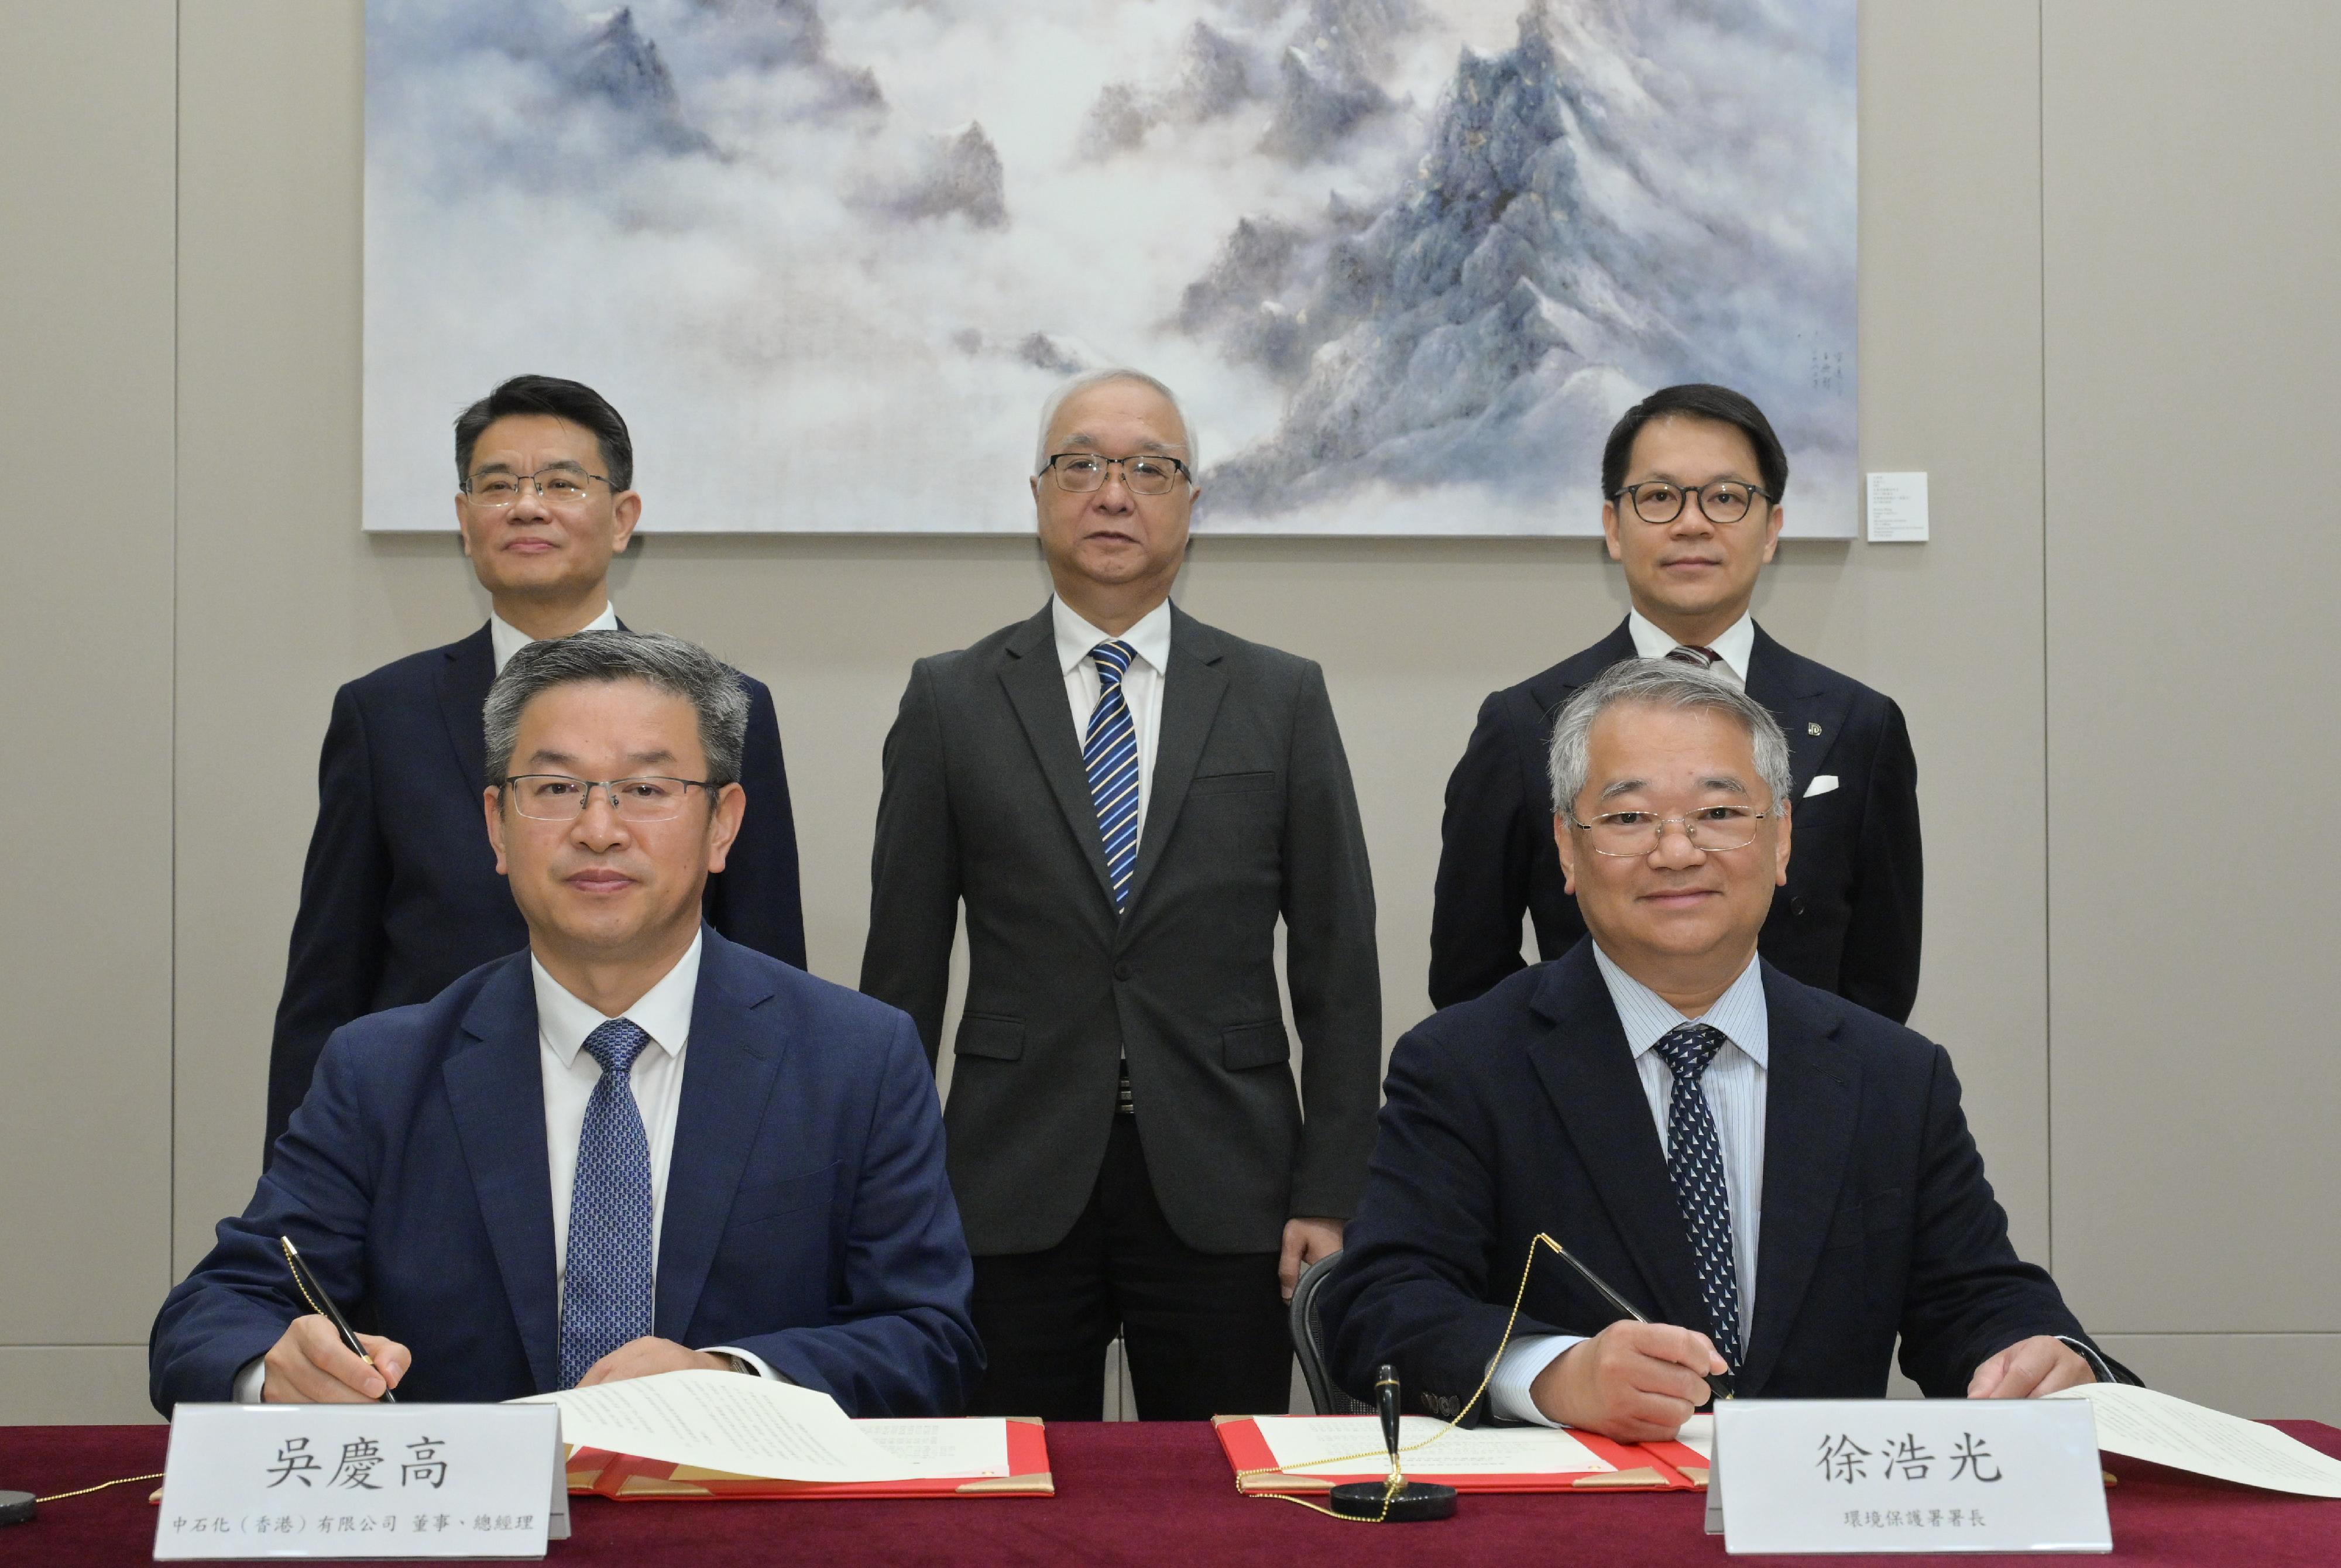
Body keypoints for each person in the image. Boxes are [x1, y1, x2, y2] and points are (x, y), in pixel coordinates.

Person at [154, 633, 977, 1415]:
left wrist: (730, 1376)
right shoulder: (382, 1069)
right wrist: (277, 1367)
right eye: (554, 788)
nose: (598, 828)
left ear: (723, 823)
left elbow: (929, 1338)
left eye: (647, 789)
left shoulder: (856, 1057)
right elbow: (212, 1313)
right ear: (496, 826)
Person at [1323, 660, 2127, 1437]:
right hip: (1584, 1527)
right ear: (1567, 849)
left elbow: (1975, 1299)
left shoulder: (1894, 1075)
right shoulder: (1465, 1062)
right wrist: (1556, 1373)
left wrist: (2046, 1359)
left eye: (1718, 813)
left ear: (1782, 840)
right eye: (1630, 817)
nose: (1677, 851)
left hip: (1821, 1525)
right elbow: (1381, 1302)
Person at [859, 369, 1381, 1421]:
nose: (1114, 493)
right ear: (1040, 493)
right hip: (1005, 1175)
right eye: (1083, 464)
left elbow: (1339, 960)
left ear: (1192, 502)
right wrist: (891, 1196)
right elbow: (901, 973)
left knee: (1222, 1497)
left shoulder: (1280, 694)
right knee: (1010, 1495)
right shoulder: (952, 697)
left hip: (1230, 1178)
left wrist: (1330, 1189)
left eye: (1150, 468)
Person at [265, 375, 805, 1155]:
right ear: (463, 519)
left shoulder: (721, 705)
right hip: (430, 1135)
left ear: (623, 518)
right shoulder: (383, 715)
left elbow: (766, 962)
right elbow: (327, 983)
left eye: (560, 482)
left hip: (664, 1131)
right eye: (497, 485)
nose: (527, 506)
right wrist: (299, 1210)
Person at [1430, 383, 1922, 1021]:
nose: (1692, 523)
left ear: (1771, 528)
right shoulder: (1524, 723)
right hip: (1587, 1097)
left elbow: (1881, 977)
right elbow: (1468, 975)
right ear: (1613, 526)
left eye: (1725, 498)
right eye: (1659, 497)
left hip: (1800, 1098)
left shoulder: (1861, 724)